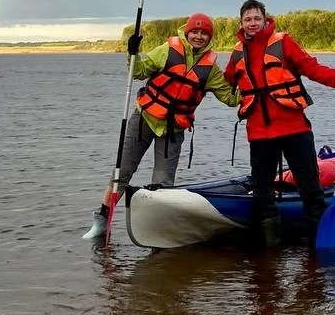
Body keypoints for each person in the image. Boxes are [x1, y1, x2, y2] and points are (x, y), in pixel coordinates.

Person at [222, 0, 335, 246]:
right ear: (241, 23)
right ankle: (269, 252)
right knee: (263, 194)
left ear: (265, 19)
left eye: (257, 18)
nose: (253, 23)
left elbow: (311, 68)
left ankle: (319, 247)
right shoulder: (238, 52)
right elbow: (224, 82)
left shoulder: (283, 42)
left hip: (294, 128)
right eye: (248, 19)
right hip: (260, 133)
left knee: (310, 189)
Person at [89, 13, 239, 231]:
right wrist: (132, 53)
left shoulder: (211, 70)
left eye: (204, 33)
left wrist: (249, 83)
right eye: (195, 32)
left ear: (210, 37)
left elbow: (231, 99)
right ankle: (102, 219)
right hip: (144, 119)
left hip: (173, 129)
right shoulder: (167, 50)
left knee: (163, 182)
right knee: (123, 171)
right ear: (187, 32)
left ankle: (156, 227)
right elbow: (139, 71)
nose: (198, 36)